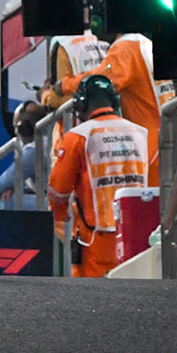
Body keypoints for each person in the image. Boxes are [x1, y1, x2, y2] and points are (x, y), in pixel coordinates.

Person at [47, 75, 150, 278]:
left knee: (94, 299)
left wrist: (59, 216)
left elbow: (58, 189)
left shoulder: (77, 137)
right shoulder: (141, 133)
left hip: (96, 237)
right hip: (137, 233)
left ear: (81, 104)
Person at [46, 32, 161, 182]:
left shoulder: (126, 47)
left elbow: (100, 78)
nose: (93, 32)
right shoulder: (144, 43)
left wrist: (64, 85)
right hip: (158, 137)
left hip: (150, 146)